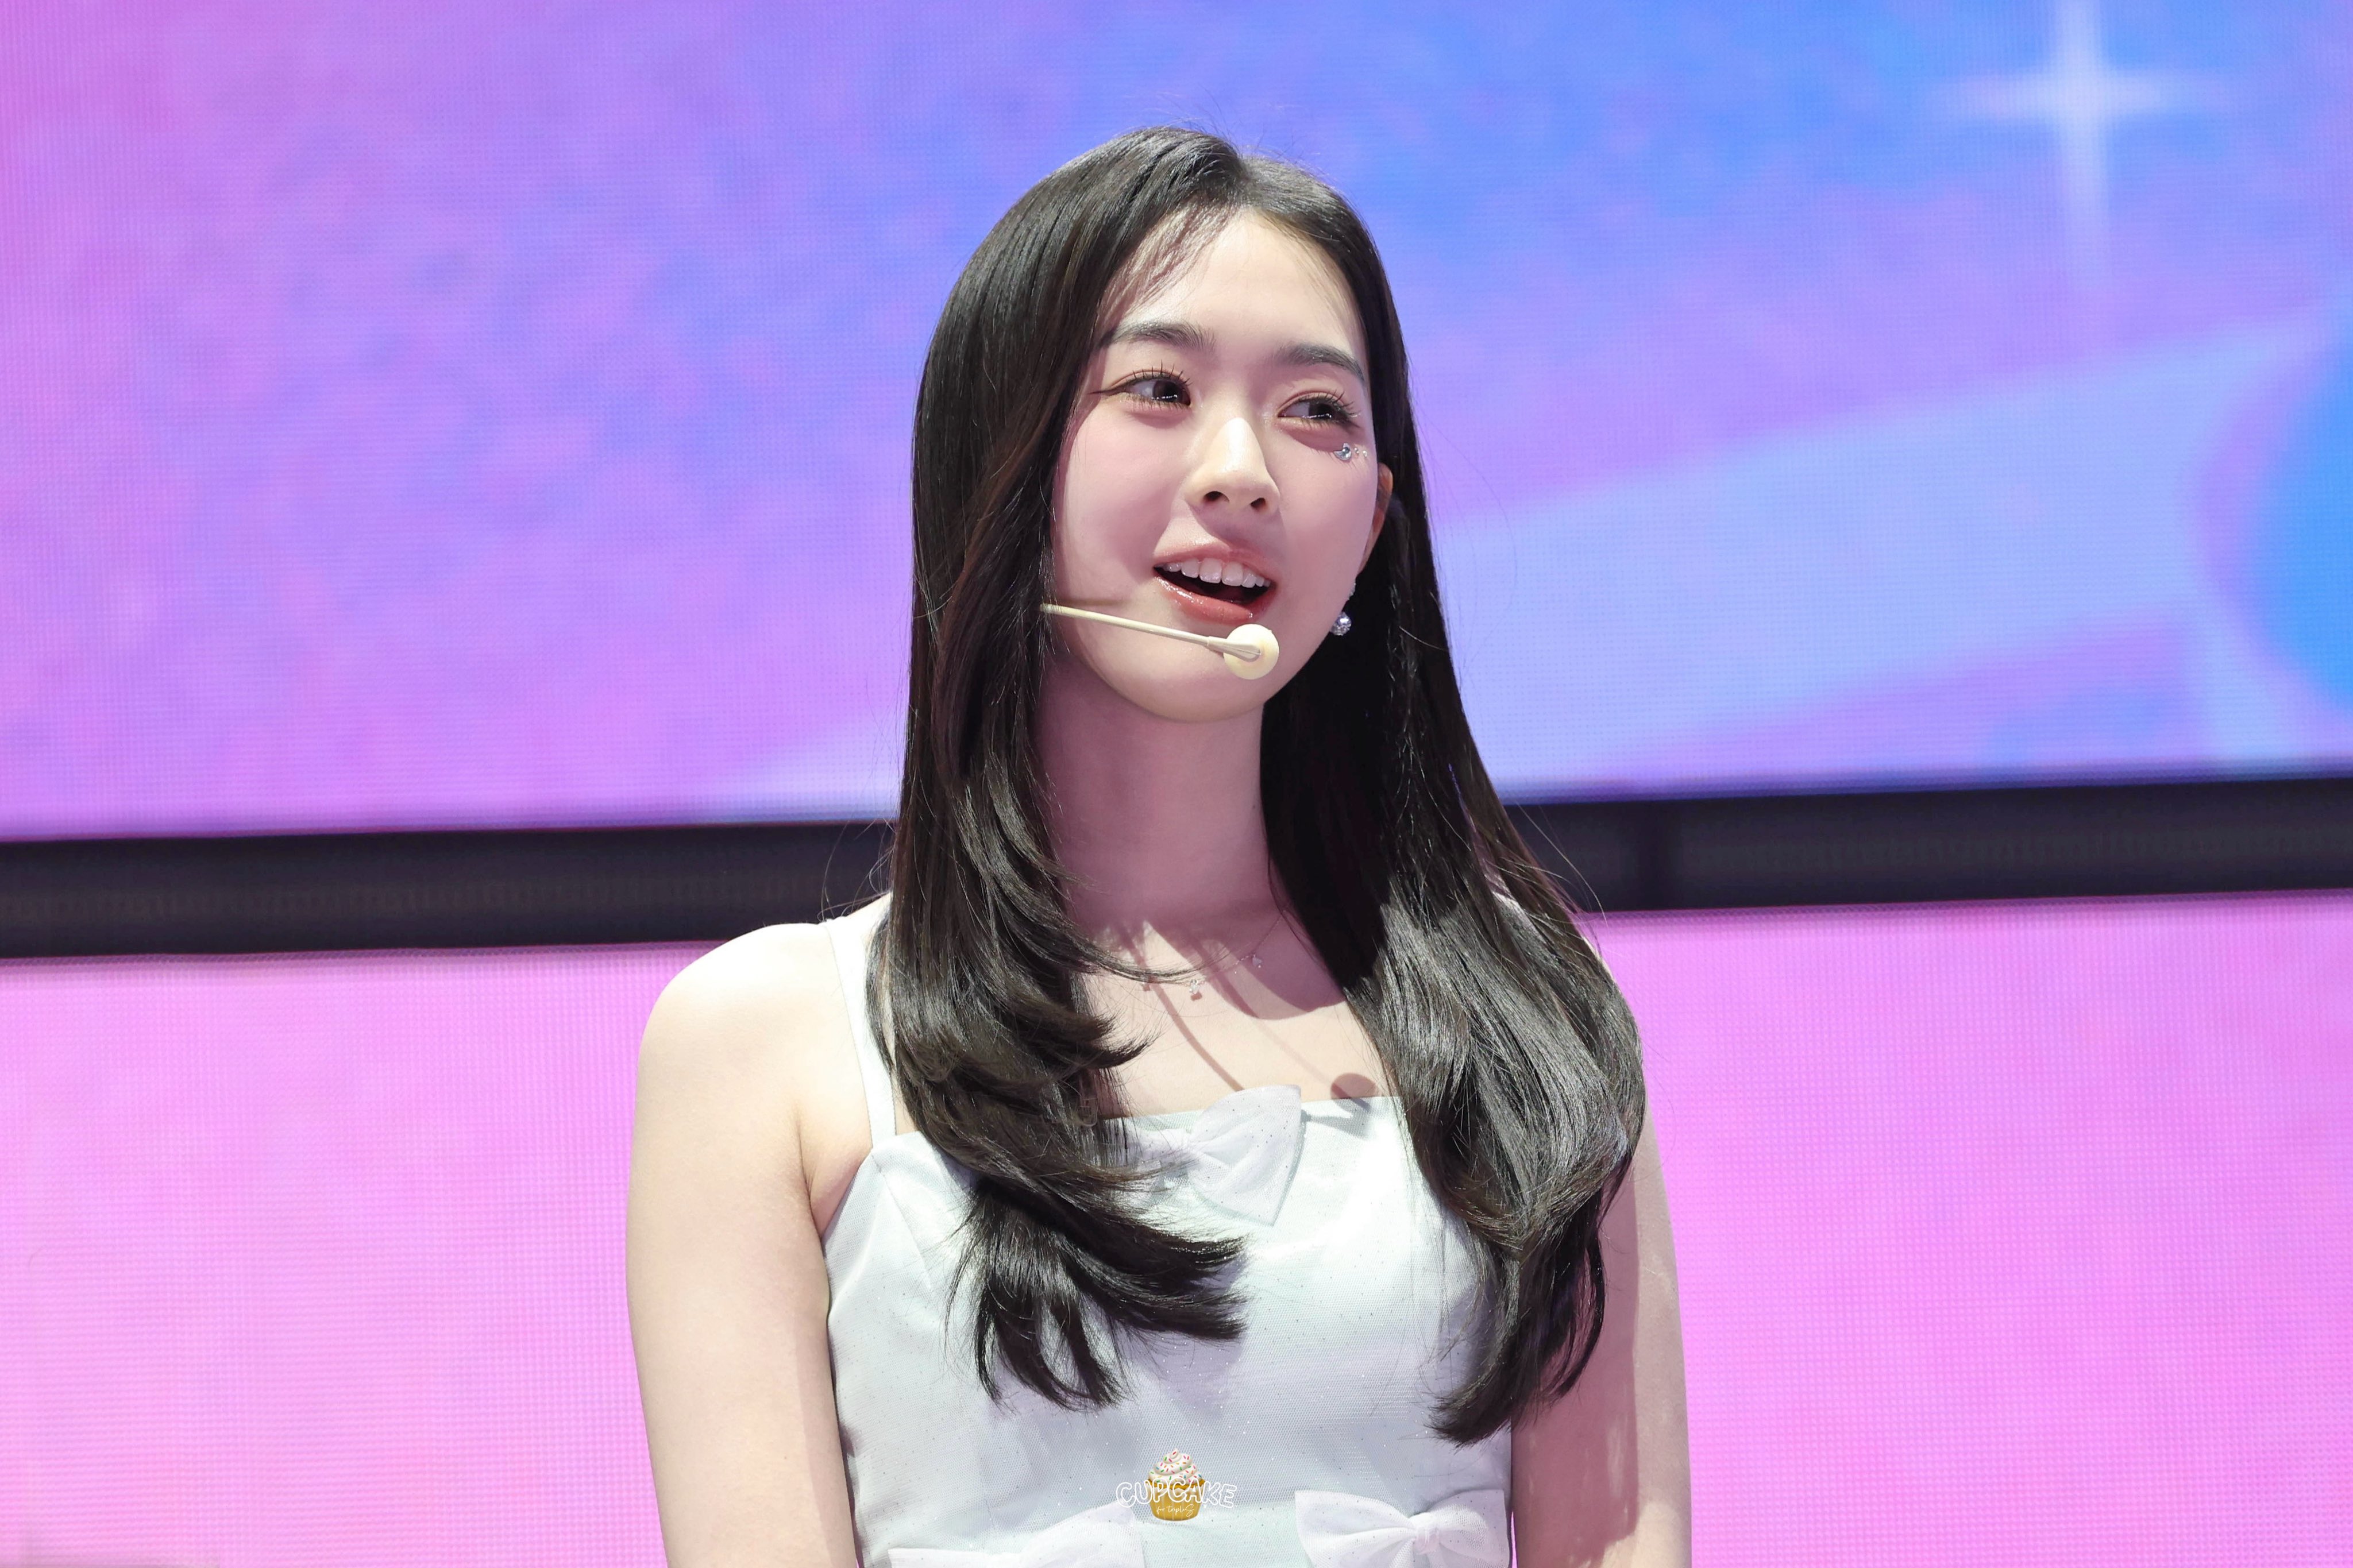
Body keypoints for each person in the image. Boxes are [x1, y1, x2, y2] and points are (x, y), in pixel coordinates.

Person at [627, 126, 1690, 1567]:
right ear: (997, 461)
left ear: (1374, 519)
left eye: (1315, 411)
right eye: (1157, 390)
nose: (1242, 470)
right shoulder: (770, 1041)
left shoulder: (1523, 1021)